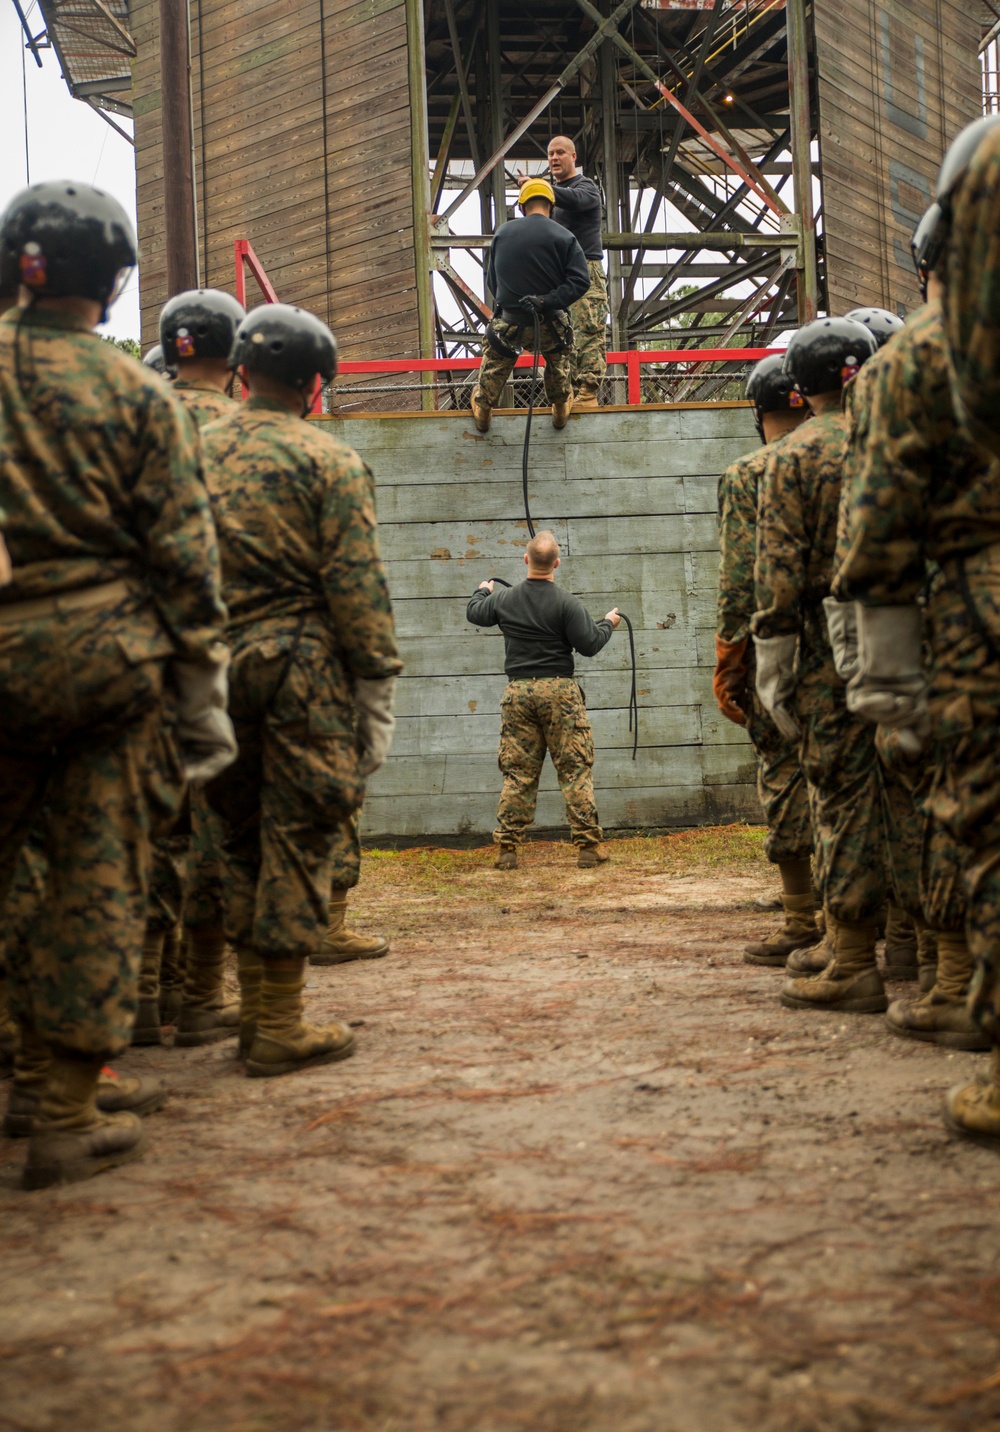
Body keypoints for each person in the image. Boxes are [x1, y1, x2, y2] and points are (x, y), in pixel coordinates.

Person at [0, 180, 233, 1188]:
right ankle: (62, 1109)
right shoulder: (139, 395)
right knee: (98, 878)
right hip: (104, 660)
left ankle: (17, 1069)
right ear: (115, 281)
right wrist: (200, 693)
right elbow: (184, 557)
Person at [842, 120, 1000, 1136]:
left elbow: (883, 528)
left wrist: (887, 689)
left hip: (976, 620)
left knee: (988, 833)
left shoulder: (914, 363)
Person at [199, 302, 401, 1078]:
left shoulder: (190, 452)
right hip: (299, 668)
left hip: (209, 665)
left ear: (241, 373)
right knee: (301, 830)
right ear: (316, 385)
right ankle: (278, 1021)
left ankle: (252, 1010)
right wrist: (375, 686)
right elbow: (356, 587)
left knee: (233, 829)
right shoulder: (331, 462)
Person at [752, 316, 887, 1015]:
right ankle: (935, 958)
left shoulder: (790, 460)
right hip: (908, 644)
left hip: (827, 659)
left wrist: (771, 674)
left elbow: (776, 584)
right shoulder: (897, 443)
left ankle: (855, 959)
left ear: (798, 390)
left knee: (841, 802)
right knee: (913, 796)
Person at [713, 353, 818, 966]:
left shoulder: (749, 474)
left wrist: (729, 657)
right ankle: (880, 917)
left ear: (760, 412)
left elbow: (737, 580)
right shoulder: (858, 453)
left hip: (777, 648)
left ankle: (802, 913)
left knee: (783, 772)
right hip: (856, 641)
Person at [467, 530, 619, 870]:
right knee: (574, 771)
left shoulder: (503, 600)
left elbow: (475, 612)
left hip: (519, 693)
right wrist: (609, 623)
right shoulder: (567, 603)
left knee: (518, 773)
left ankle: (507, 849)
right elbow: (590, 644)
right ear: (557, 563)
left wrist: (484, 587)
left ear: (525, 560)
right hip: (560, 694)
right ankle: (589, 849)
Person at [470, 179, 590, 434]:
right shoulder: (565, 236)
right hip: (550, 323)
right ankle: (559, 409)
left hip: (510, 322)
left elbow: (492, 279)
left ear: (522, 206)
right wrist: (547, 301)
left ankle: (483, 411)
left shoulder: (502, 233)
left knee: (495, 361)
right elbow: (581, 282)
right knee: (558, 361)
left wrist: (510, 304)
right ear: (551, 205)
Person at [539, 134, 607, 409]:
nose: (554, 158)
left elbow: (576, 200)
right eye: (550, 154)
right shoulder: (553, 201)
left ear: (573, 157)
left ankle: (588, 394)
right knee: (559, 331)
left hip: (585, 267)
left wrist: (540, 189)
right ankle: (565, 393)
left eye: (560, 153)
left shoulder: (586, 187)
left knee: (587, 328)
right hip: (559, 273)